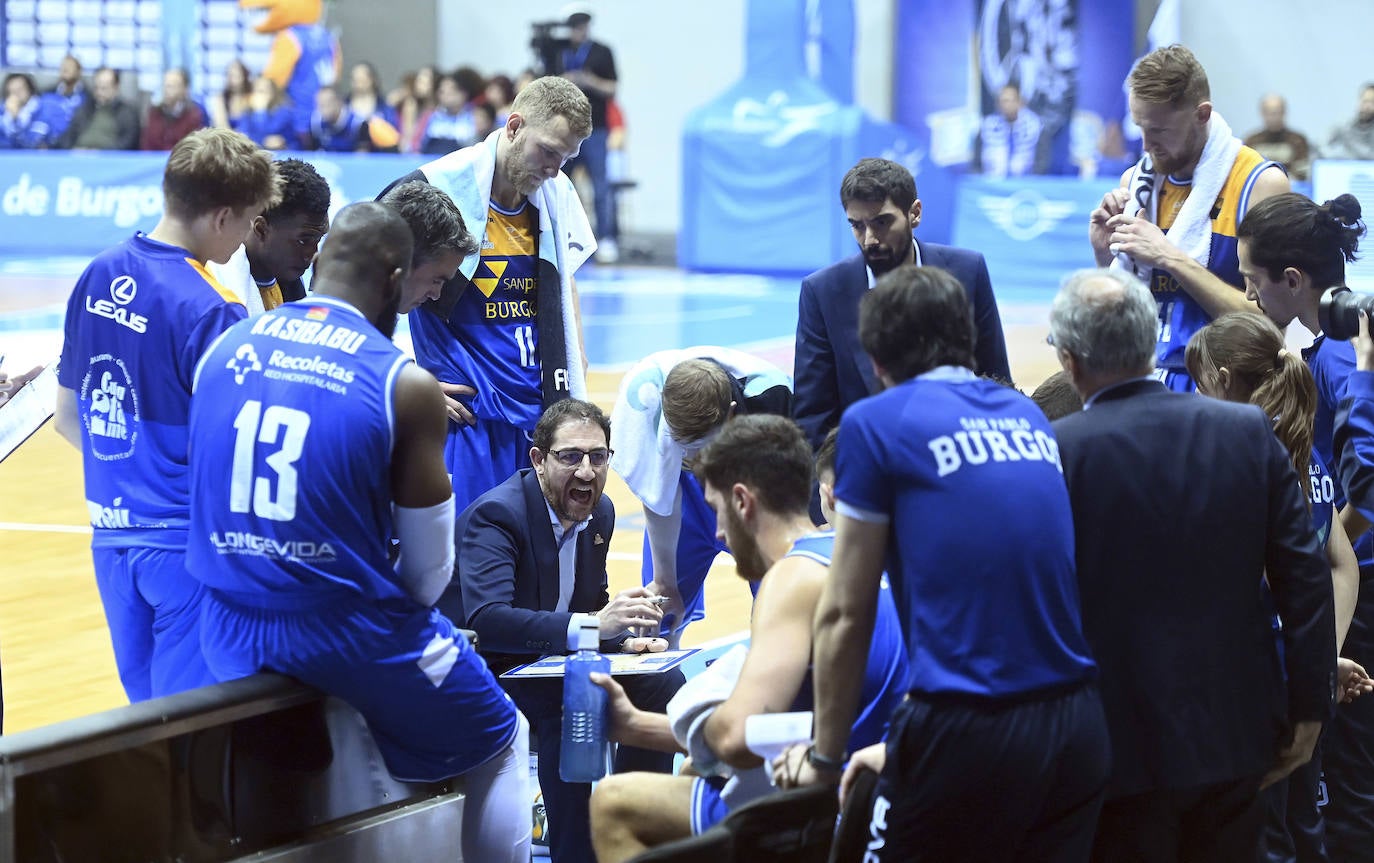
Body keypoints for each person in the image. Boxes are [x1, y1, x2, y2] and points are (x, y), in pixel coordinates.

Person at [186, 202, 530, 863]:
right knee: (501, 733)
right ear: (397, 278)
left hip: (226, 623)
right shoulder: (403, 382)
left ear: (317, 265)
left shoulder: (225, 346)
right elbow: (429, 573)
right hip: (342, 630)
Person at [773, 265, 1108, 861]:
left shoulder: (874, 424)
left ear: (876, 360)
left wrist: (826, 758)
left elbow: (845, 612)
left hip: (970, 725)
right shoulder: (1025, 415)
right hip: (1076, 721)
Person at [1049, 268, 1336, 861]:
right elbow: (1304, 577)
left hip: (1113, 741)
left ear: (1072, 362)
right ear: (1152, 343)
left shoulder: (1058, 451)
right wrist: (1311, 709)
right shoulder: (1247, 430)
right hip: (1237, 733)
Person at [588, 416, 909, 863]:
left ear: (742, 502)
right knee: (694, 772)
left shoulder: (792, 577)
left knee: (614, 802)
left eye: (717, 510)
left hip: (841, 807)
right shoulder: (861, 549)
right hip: (896, 782)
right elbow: (786, 728)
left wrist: (701, 707)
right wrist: (639, 727)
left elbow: (737, 740)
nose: (718, 534)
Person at [52, 128, 280, 702]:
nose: (247, 239)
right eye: (251, 221)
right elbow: (237, 446)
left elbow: (66, 418)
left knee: (143, 722)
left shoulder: (97, 272)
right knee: (188, 732)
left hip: (110, 539)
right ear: (223, 216)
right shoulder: (211, 307)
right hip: (185, 548)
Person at [450, 397, 682, 863]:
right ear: (538, 459)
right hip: (493, 672)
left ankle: (631, 830)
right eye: (570, 457)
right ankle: (576, 853)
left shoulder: (602, 513)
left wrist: (624, 639)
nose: (587, 472)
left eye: (598, 457)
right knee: (570, 706)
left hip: (556, 664)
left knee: (662, 682)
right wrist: (598, 625)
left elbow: (589, 607)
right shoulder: (497, 516)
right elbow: (487, 621)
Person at [1186, 310, 1372, 863]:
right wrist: (1320, 657)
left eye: (1198, 384)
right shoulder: (1305, 454)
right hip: (1301, 684)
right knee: (1303, 834)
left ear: (1220, 380)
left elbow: (1265, 578)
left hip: (1252, 698)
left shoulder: (1236, 462)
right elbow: (1343, 565)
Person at [380, 75, 596, 518]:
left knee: (538, 572)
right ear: (514, 126)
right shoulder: (435, 187)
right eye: (549, 151)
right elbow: (358, 281)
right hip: (469, 420)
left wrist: (577, 358)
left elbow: (563, 280)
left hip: (541, 416)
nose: (555, 169)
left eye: (568, 158)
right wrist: (396, 375)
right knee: (468, 572)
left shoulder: (555, 194)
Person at [1235, 191, 1374, 863]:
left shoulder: (1342, 360)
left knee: (1347, 786)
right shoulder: (1328, 348)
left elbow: (1362, 489)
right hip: (1345, 582)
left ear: (1292, 281)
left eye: (1251, 282)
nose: (1247, 297)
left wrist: (1327, 539)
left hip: (1360, 593)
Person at [1088, 44, 1289, 392]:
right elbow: (1121, 302)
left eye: (1160, 131)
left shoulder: (1261, 185)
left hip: (1221, 387)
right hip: (1139, 378)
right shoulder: (1135, 183)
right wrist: (1105, 254)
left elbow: (1270, 328)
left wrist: (1169, 257)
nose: (1147, 145)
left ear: (1202, 114)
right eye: (1140, 128)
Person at [794, 157, 1011, 454]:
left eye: (881, 222)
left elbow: (996, 380)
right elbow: (812, 419)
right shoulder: (822, 292)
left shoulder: (967, 271)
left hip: (963, 453)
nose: (869, 239)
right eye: (857, 226)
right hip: (868, 464)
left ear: (915, 213)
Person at [611, 348, 791, 645]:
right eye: (685, 448)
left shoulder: (773, 401)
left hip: (759, 494)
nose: (695, 458)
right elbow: (655, 493)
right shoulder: (643, 406)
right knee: (659, 616)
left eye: (704, 447)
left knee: (777, 613)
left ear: (732, 414)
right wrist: (665, 580)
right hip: (685, 498)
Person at [209, 158, 330, 316]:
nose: (312, 253)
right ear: (261, 229)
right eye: (304, 241)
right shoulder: (215, 288)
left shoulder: (291, 285)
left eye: (318, 239)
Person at [556, 6, 619, 264]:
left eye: (582, 28)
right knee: (559, 182)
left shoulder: (602, 52)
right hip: (564, 127)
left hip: (596, 128)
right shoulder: (559, 50)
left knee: (600, 185)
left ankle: (605, 238)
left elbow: (613, 87)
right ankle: (561, 235)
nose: (578, 33)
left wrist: (589, 80)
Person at [55, 66, 140, 150]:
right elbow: (69, 135)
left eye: (104, 88)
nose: (99, 92)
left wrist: (101, 152)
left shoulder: (127, 113)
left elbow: (128, 142)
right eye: (97, 88)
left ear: (116, 88)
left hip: (108, 158)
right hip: (78, 155)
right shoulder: (85, 108)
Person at [973, 82, 1045, 177]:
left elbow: (1042, 163)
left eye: (1009, 100)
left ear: (1020, 102)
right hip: (991, 182)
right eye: (1002, 101)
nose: (1005, 105)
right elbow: (977, 163)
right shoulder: (987, 126)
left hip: (1026, 184)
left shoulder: (1036, 126)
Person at [1244, 94, 1313, 181]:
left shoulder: (1298, 140)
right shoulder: (1252, 141)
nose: (1273, 117)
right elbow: (1246, 172)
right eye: (1269, 113)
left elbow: (1301, 172)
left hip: (1290, 188)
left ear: (1284, 113)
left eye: (1277, 112)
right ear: (1262, 113)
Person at [140, 68, 206, 151]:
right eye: (166, 85)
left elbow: (195, 147)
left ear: (185, 89)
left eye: (173, 86)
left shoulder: (194, 114)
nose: (167, 90)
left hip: (182, 161)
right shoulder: (154, 112)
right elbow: (147, 145)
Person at [418, 73, 478, 156]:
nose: (445, 94)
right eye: (442, 91)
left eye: (451, 90)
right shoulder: (431, 116)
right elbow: (419, 146)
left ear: (463, 93)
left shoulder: (475, 116)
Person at [233, 76, 294, 150]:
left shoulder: (283, 111)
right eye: (257, 90)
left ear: (272, 93)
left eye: (263, 91)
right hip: (257, 153)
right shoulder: (247, 112)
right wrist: (259, 111)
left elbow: (270, 131)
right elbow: (243, 135)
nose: (259, 95)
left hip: (286, 153)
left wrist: (261, 112)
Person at [1, 72, 57, 149]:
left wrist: (16, 120)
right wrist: (11, 119)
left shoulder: (42, 110)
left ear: (29, 90)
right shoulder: (2, 111)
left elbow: (33, 144)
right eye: (12, 91)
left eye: (19, 90)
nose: (16, 95)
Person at [40, 54, 86, 142]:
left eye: (69, 67)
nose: (65, 69)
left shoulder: (87, 97)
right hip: (47, 144)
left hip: (74, 143)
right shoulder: (47, 93)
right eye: (63, 66)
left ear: (79, 71)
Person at [1326, 84, 1374, 162]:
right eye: (1365, 101)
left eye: (1372, 102)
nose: (1367, 106)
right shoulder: (1343, 127)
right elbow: (1323, 147)